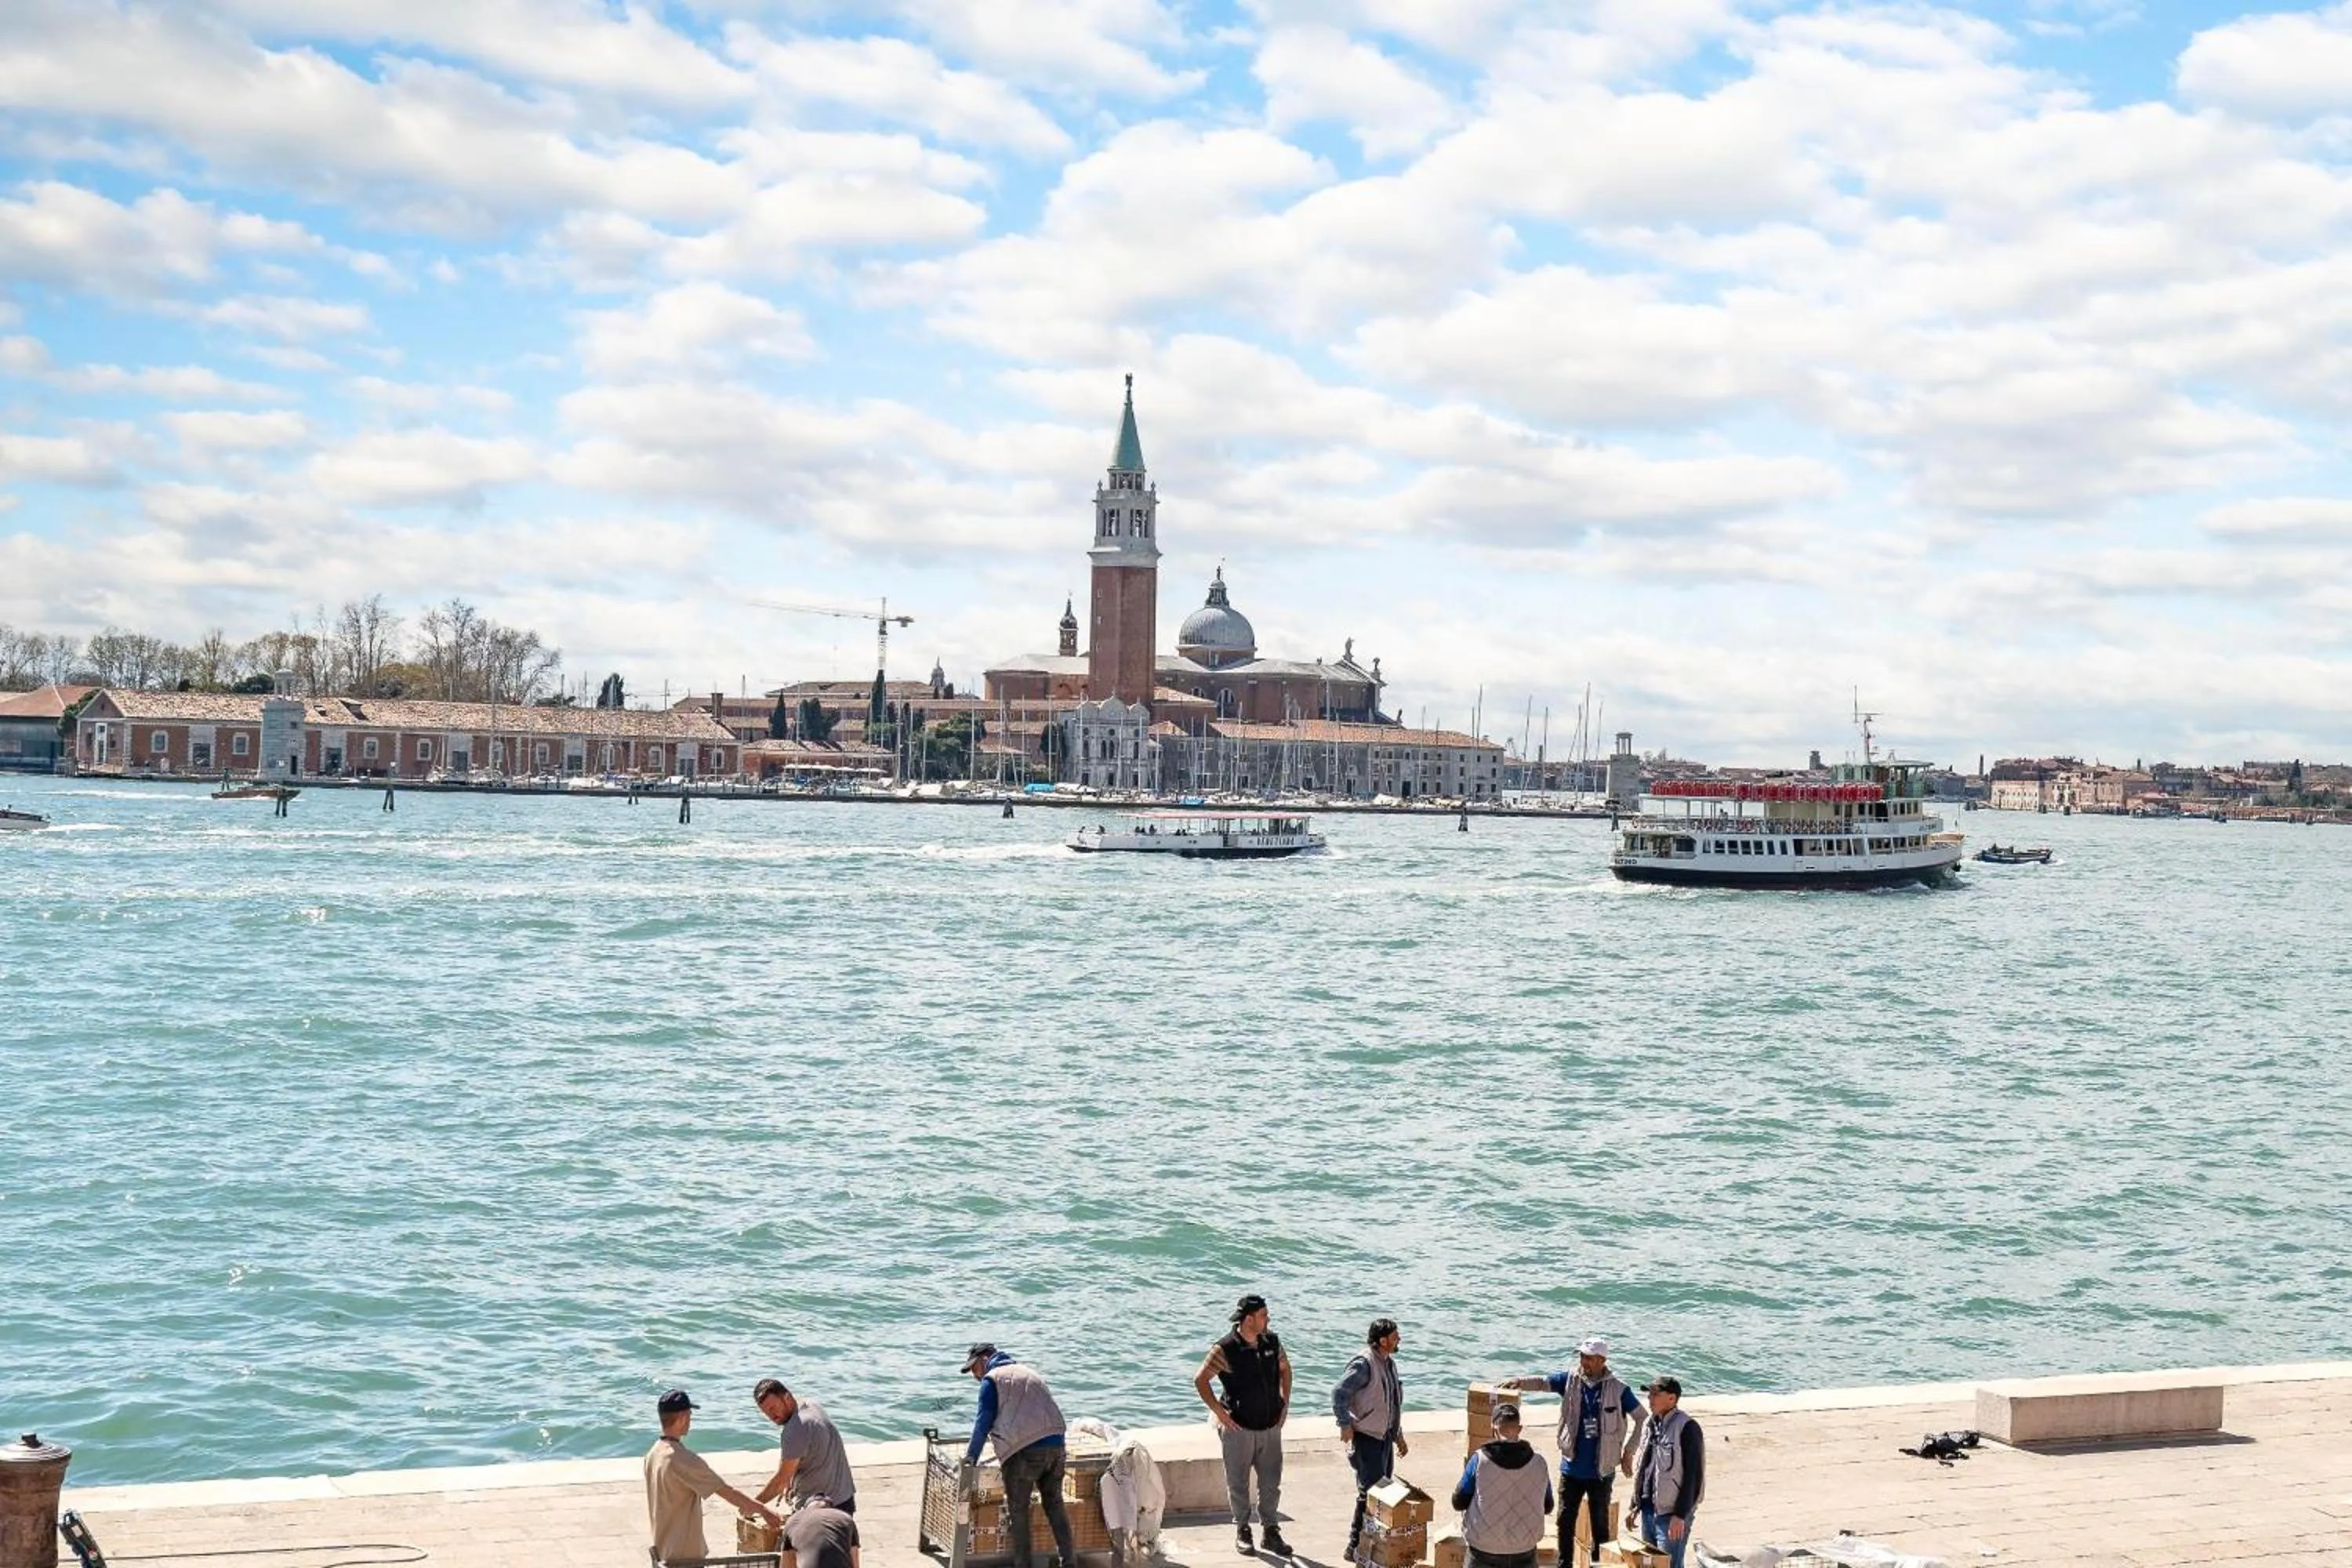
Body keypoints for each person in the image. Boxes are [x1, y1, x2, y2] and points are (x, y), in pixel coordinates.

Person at [1501, 1337, 1644, 1566]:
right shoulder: (1570, 1380)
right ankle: (1564, 1564)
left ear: (1601, 1360)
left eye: (1588, 1358)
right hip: (1571, 1468)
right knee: (1564, 1521)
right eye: (1581, 1356)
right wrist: (1519, 1381)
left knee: (1600, 1525)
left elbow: (1641, 1417)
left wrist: (1629, 1451)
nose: (1583, 1362)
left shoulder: (1619, 1389)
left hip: (1602, 1472)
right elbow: (1543, 1382)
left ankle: (1599, 1563)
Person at [1193, 1293, 1294, 1558]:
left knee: (1271, 1482)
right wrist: (1219, 1412)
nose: (1268, 1319)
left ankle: (1271, 1531)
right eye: (1263, 1315)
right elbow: (1201, 1380)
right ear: (1249, 1319)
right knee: (1238, 1483)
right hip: (1238, 1428)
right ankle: (1242, 1530)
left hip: (1271, 1426)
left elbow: (1285, 1369)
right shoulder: (1224, 1348)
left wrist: (1285, 1402)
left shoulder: (1271, 1341)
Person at [962, 1343, 1077, 1568]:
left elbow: (982, 1423)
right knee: (1055, 1505)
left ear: (985, 1359)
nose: (975, 1376)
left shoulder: (992, 1379)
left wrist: (970, 1459)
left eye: (974, 1369)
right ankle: (1069, 1563)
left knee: (1019, 1510)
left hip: (1024, 1452)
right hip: (1056, 1445)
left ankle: (1023, 1565)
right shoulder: (1030, 1372)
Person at [644, 1389, 781, 1566]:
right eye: (690, 1415)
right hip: (684, 1558)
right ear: (684, 1416)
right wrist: (763, 1510)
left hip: (663, 1552)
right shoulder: (683, 1459)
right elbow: (727, 1492)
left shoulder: (654, 1453)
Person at [1332, 1317, 1410, 1561]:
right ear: (1382, 1340)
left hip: (1384, 1437)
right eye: (1395, 1337)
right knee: (1368, 1494)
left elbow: (1392, 1404)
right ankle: (1354, 1545)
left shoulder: (1389, 1364)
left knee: (1384, 1493)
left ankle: (1374, 1547)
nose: (1399, 1340)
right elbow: (1339, 1393)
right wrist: (1345, 1424)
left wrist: (1398, 1435)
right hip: (1367, 1439)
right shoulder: (1364, 1364)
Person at [1451, 1399, 1552, 1568]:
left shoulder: (1479, 1460)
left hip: (1483, 1548)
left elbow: (1458, 1501)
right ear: (1520, 1429)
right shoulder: (1539, 1463)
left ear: (1493, 1429)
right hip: (1524, 1548)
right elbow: (1548, 1506)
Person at [753, 1378, 858, 1515]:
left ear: (787, 1398)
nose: (771, 1416)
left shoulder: (795, 1429)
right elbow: (806, 1452)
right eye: (765, 1412)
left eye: (773, 1408)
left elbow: (780, 1482)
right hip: (845, 1500)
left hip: (818, 1511)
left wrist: (752, 1506)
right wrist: (790, 1480)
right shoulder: (812, 1406)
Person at [1632, 1377, 1704, 1568]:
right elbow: (1644, 1469)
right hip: (1648, 1509)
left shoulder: (1688, 1428)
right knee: (1649, 1564)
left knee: (1670, 1565)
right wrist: (1635, 1504)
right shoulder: (1649, 1424)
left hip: (1671, 1515)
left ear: (1672, 1399)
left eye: (1655, 1394)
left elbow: (1693, 1477)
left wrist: (1680, 1515)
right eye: (1649, 1393)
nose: (1650, 1398)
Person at [780, 1497, 860, 1568]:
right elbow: (855, 1563)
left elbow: (786, 1565)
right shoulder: (845, 1518)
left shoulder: (793, 1520)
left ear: (806, 1508)